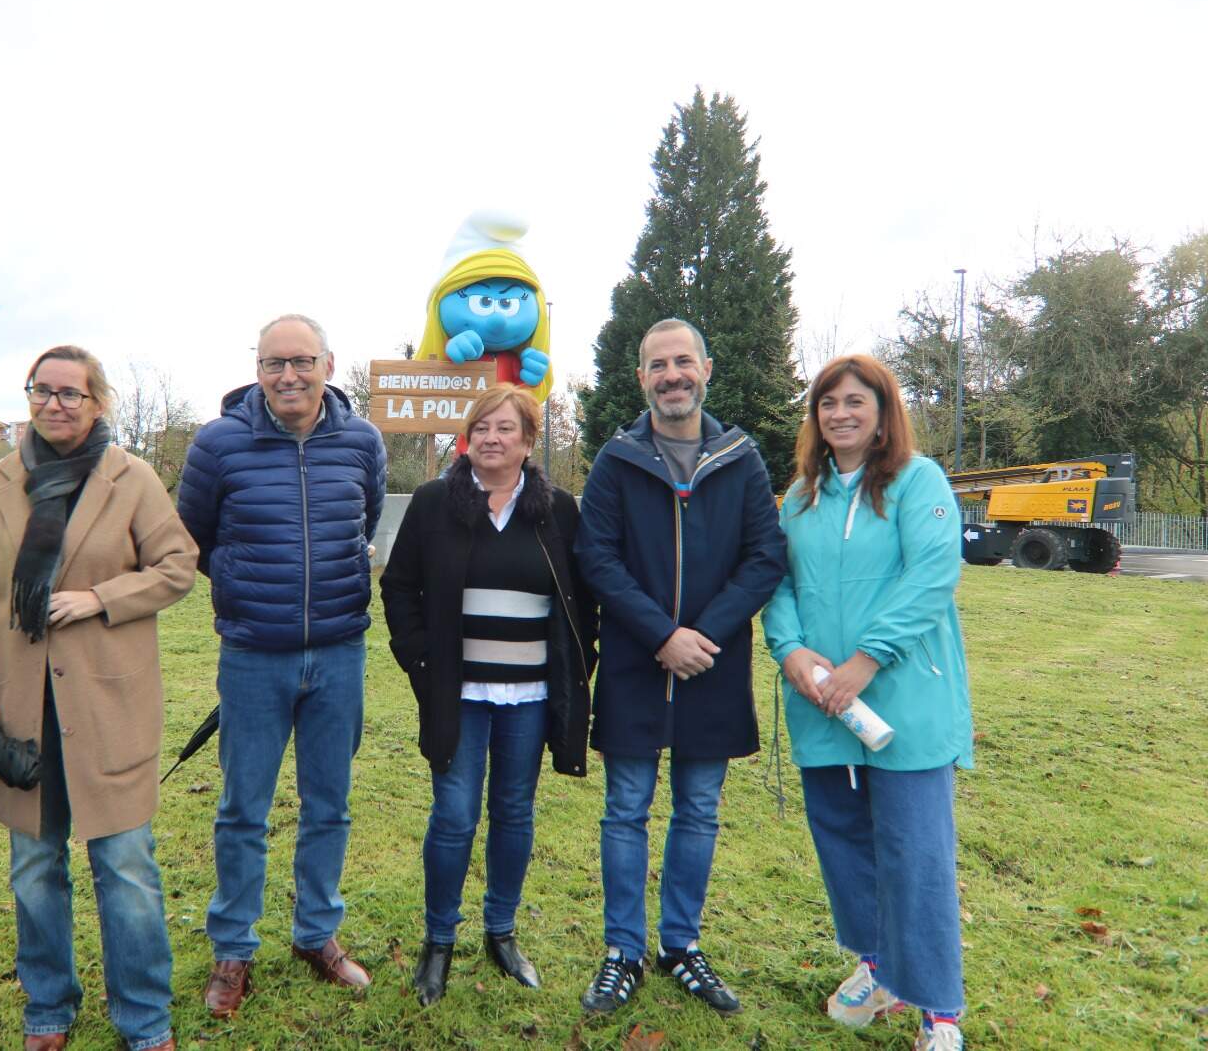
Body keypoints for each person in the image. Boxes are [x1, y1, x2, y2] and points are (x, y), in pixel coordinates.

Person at [0, 345, 198, 1051]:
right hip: (20, 708)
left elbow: (178, 565)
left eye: (72, 393)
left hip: (108, 708)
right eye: (42, 390)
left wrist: (100, 597)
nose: (55, 404)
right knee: (34, 868)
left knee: (125, 867)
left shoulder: (132, 478)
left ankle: (145, 1020)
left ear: (98, 403)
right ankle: (49, 1010)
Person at [573, 318, 787, 1016]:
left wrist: (704, 634)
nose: (672, 375)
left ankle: (681, 946)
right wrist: (662, 634)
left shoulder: (741, 457)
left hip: (713, 666)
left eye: (683, 362)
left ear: (706, 369)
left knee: (698, 811)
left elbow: (765, 557)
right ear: (641, 379)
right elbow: (596, 558)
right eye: (658, 365)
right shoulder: (616, 460)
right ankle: (622, 952)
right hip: (639, 664)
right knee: (625, 811)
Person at [176, 313, 387, 1017]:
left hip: (339, 651)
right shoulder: (218, 445)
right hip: (252, 657)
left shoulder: (362, 442)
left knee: (329, 804)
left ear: (329, 363)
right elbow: (193, 536)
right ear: (256, 368)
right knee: (243, 810)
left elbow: (366, 518)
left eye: (301, 361)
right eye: (274, 363)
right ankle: (234, 948)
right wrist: (243, 586)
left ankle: (316, 934)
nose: (288, 376)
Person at [762, 354, 971, 1051]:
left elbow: (934, 572)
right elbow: (778, 581)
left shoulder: (918, 482)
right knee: (844, 843)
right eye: (828, 403)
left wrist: (865, 660)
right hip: (823, 706)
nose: (840, 413)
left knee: (914, 852)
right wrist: (790, 650)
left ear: (883, 413)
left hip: (902, 704)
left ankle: (937, 1009)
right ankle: (878, 969)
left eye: (856, 401)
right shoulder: (799, 498)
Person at [380, 384, 597, 1005]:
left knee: (514, 812)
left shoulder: (557, 508)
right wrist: (419, 659)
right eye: (481, 428)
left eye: (506, 429)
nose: (491, 438)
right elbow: (399, 587)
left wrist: (581, 665)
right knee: (453, 817)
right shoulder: (432, 503)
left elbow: (581, 600)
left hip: (529, 698)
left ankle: (500, 932)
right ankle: (439, 940)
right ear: (466, 438)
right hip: (458, 693)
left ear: (528, 441)